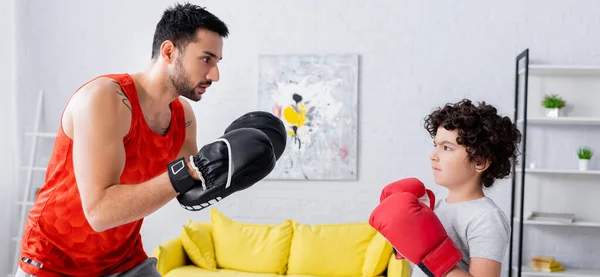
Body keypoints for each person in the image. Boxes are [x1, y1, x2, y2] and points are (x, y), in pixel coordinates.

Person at [17, 3, 286, 277]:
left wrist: (227, 170)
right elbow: (99, 212)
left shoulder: (184, 117)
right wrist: (192, 170)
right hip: (53, 262)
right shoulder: (105, 99)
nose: (215, 75)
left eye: (217, 62)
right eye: (206, 59)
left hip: (122, 260)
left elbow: (188, 191)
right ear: (169, 52)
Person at [369, 99, 522, 277]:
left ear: (479, 161)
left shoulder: (486, 218)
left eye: (447, 148)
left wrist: (436, 259)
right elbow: (421, 267)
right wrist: (402, 237)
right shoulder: (437, 207)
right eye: (436, 146)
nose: (433, 156)